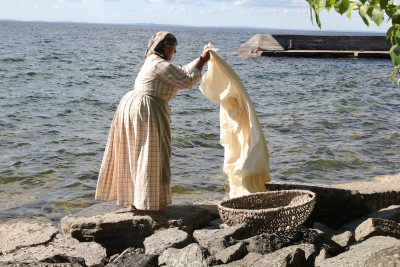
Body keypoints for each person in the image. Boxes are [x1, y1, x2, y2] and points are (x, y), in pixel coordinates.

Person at [95, 31, 210, 211]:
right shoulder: (159, 64)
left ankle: (137, 200)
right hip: (146, 109)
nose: (175, 52)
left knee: (136, 152)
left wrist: (201, 58)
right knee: (151, 154)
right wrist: (202, 62)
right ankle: (149, 202)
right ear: (164, 48)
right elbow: (187, 81)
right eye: (173, 48)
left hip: (134, 105)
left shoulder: (154, 62)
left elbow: (180, 70)